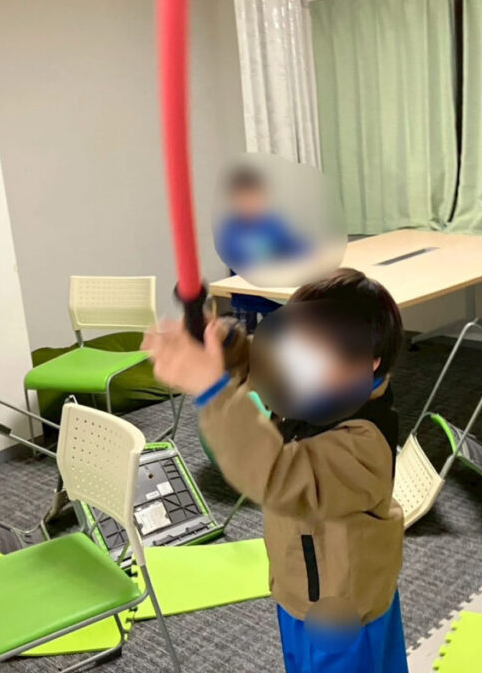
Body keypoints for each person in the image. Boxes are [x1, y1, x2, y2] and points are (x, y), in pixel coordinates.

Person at [144, 268, 408, 673]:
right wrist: (225, 345)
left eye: (318, 355)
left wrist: (213, 391)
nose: (296, 366)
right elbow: (265, 366)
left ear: (370, 362)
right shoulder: (320, 392)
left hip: (342, 612)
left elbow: (278, 475)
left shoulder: (363, 445)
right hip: (300, 586)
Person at [215, 166, 308, 333]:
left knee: (277, 333)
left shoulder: (273, 221)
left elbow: (295, 244)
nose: (250, 204)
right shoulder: (231, 227)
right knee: (242, 335)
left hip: (273, 294)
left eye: (254, 198)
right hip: (245, 295)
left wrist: (303, 254)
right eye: (243, 200)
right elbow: (234, 253)